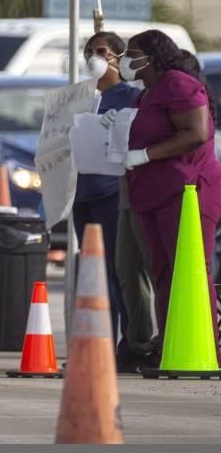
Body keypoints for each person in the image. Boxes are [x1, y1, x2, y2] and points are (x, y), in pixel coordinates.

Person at [121, 29, 221, 366]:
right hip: (153, 194)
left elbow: (196, 132)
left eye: (131, 53)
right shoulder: (145, 93)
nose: (125, 60)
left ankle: (203, 348)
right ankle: (172, 346)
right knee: (163, 272)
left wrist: (147, 154)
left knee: (190, 269)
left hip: (187, 190)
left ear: (151, 55)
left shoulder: (178, 84)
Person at [76, 32, 143, 370]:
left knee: (118, 273)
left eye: (101, 51)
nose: (94, 57)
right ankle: (95, 343)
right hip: (81, 196)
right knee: (90, 273)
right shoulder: (81, 96)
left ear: (117, 56)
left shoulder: (130, 97)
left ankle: (130, 345)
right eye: (89, 51)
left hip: (111, 194)